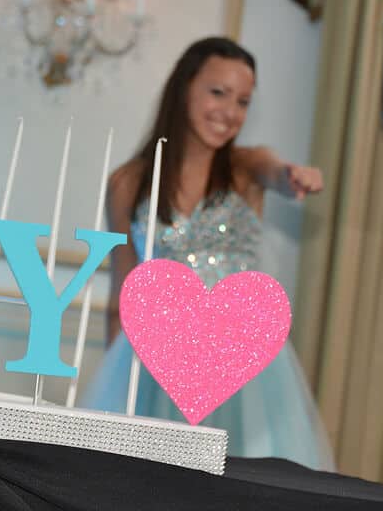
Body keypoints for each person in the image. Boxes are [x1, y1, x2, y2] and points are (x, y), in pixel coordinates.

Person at [81, 36, 335, 471]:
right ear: (184, 88)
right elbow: (123, 293)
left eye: (242, 101)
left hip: (241, 364)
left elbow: (273, 170)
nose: (229, 112)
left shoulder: (245, 168)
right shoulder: (128, 183)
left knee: (241, 485)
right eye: (218, 92)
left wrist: (291, 175)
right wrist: (116, 392)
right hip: (156, 362)